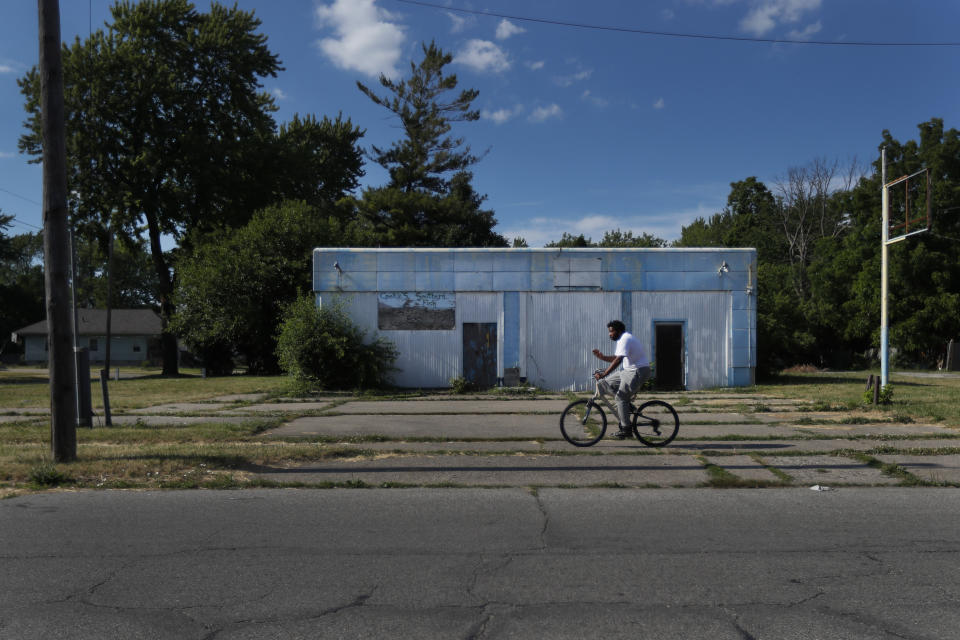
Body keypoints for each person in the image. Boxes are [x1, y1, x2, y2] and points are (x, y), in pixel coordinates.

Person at [592, 320, 651, 439]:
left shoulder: (625, 338)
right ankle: (627, 406)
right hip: (628, 371)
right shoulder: (621, 340)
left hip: (638, 371)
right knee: (604, 384)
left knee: (620, 397)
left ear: (618, 331)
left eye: (611, 331)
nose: (610, 334)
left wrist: (604, 373)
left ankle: (626, 429)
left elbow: (618, 361)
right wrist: (602, 357)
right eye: (609, 332)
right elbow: (616, 357)